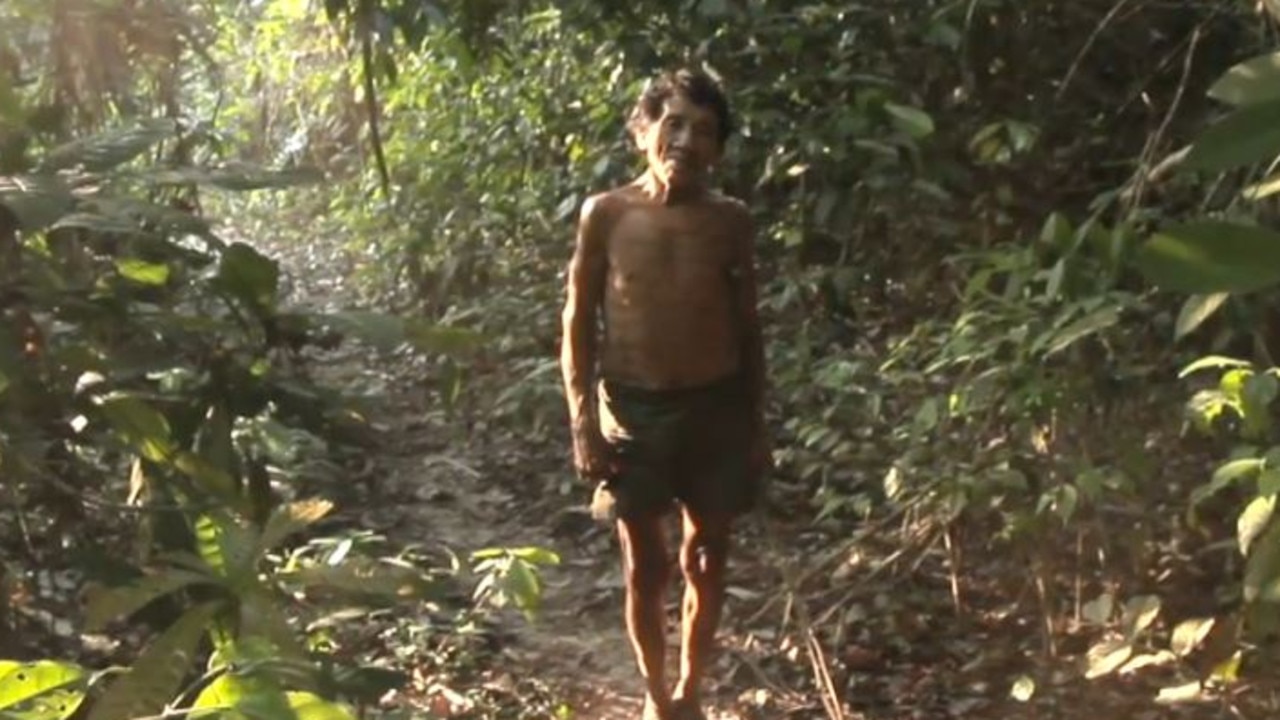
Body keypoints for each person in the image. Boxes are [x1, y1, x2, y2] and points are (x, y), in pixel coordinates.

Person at [559, 68, 769, 720]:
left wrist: (755, 426)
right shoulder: (608, 213)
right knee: (644, 566)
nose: (686, 140)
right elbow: (577, 322)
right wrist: (583, 426)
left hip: (715, 409)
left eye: (704, 131)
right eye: (673, 123)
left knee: (706, 558)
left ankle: (691, 692)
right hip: (634, 411)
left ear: (719, 150)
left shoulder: (729, 221)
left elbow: (748, 325)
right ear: (645, 129)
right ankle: (655, 698)